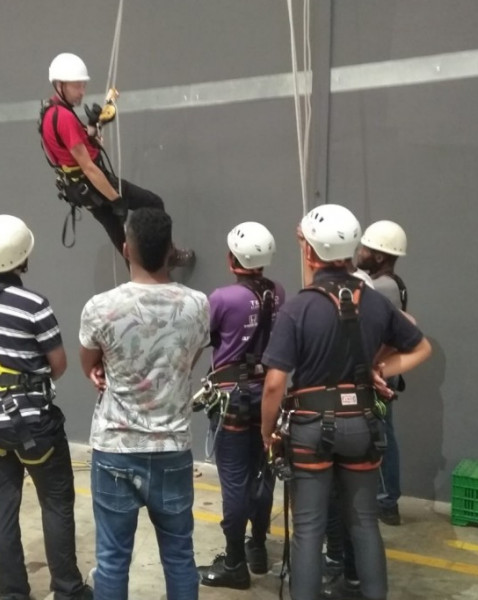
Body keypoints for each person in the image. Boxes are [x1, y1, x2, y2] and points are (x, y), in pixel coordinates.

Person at [260, 204, 432, 600]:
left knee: (308, 527)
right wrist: (381, 369)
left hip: (310, 427)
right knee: (364, 523)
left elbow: (274, 384)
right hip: (362, 425)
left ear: (309, 253)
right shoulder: (373, 302)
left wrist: (267, 433)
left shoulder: (298, 308)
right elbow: (420, 345)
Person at [0, 214, 91, 600]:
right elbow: (57, 366)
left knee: (2, 499)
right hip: (31, 424)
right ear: (23, 257)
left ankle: (11, 593)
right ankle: (67, 589)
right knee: (56, 499)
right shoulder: (33, 305)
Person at [78, 207, 210, 600]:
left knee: (113, 559)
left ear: (125, 249)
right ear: (171, 250)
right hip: (172, 449)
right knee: (180, 557)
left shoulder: (100, 307)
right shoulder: (198, 304)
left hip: (116, 449)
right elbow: (189, 359)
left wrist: (102, 371)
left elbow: (90, 363)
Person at [39, 52, 194, 266]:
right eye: (77, 86)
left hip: (82, 191)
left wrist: (92, 126)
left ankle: (145, 277)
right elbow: (89, 167)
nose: (82, 91)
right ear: (60, 85)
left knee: (122, 240)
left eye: (83, 85)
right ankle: (169, 255)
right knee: (153, 203)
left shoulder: (50, 112)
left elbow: (70, 151)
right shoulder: (64, 118)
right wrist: (115, 198)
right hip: (96, 185)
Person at [197, 222, 286, 589]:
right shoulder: (278, 293)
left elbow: (203, 336)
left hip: (232, 396)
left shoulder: (222, 298)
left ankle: (234, 561)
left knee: (234, 480)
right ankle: (258, 547)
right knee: (262, 472)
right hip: (268, 392)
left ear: (232, 259)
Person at [357, 220, 410, 527]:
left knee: (380, 436)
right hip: (382, 372)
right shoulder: (393, 282)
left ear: (378, 256)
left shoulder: (384, 287)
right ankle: (385, 498)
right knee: (382, 433)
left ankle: (386, 500)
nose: (359, 252)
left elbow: (389, 336)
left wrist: (371, 367)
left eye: (365, 249)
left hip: (377, 374)